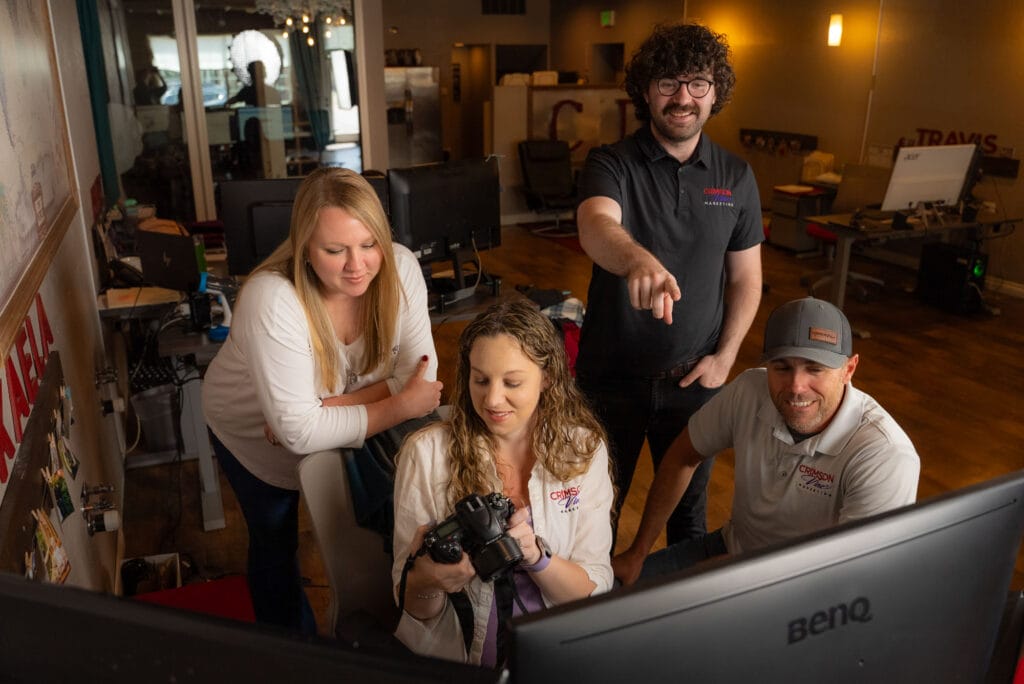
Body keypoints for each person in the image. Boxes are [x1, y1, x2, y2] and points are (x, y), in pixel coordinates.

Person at [202, 167, 443, 634]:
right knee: (275, 540)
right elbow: (295, 434)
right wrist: (396, 404)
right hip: (253, 434)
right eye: (335, 250)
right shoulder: (272, 297)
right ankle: (292, 649)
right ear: (305, 248)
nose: (357, 265)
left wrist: (325, 412)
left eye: (369, 244)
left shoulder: (401, 267)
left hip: (333, 420)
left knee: (357, 530)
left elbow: (422, 375)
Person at [574, 22, 764, 547]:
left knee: (688, 524)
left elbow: (747, 279)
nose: (683, 98)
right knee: (595, 519)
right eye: (667, 83)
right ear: (645, 91)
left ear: (715, 91)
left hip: (694, 385)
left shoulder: (736, 175)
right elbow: (595, 225)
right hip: (610, 381)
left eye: (697, 83)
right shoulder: (611, 163)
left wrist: (725, 359)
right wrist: (636, 260)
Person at [613, 297, 921, 585]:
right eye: (782, 367)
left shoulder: (885, 455)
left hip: (806, 587)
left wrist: (726, 580)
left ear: (848, 369)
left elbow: (850, 577)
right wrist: (637, 552)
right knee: (604, 603)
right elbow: (683, 455)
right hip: (730, 547)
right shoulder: (749, 390)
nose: (797, 387)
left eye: (815, 369)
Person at [391, 299, 614, 666]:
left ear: (548, 378)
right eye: (480, 380)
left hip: (558, 653)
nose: (492, 399)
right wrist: (429, 580)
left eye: (512, 382)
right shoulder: (426, 455)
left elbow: (593, 587)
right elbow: (411, 609)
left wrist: (538, 559)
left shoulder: (583, 449)